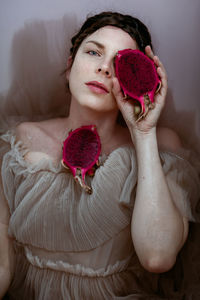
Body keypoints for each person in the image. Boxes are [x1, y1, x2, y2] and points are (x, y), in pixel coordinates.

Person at [0, 11, 200, 300]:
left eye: (122, 63)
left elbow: (158, 257)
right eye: (93, 52)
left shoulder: (161, 146)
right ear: (70, 67)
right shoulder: (19, 142)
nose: (105, 68)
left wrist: (143, 133)